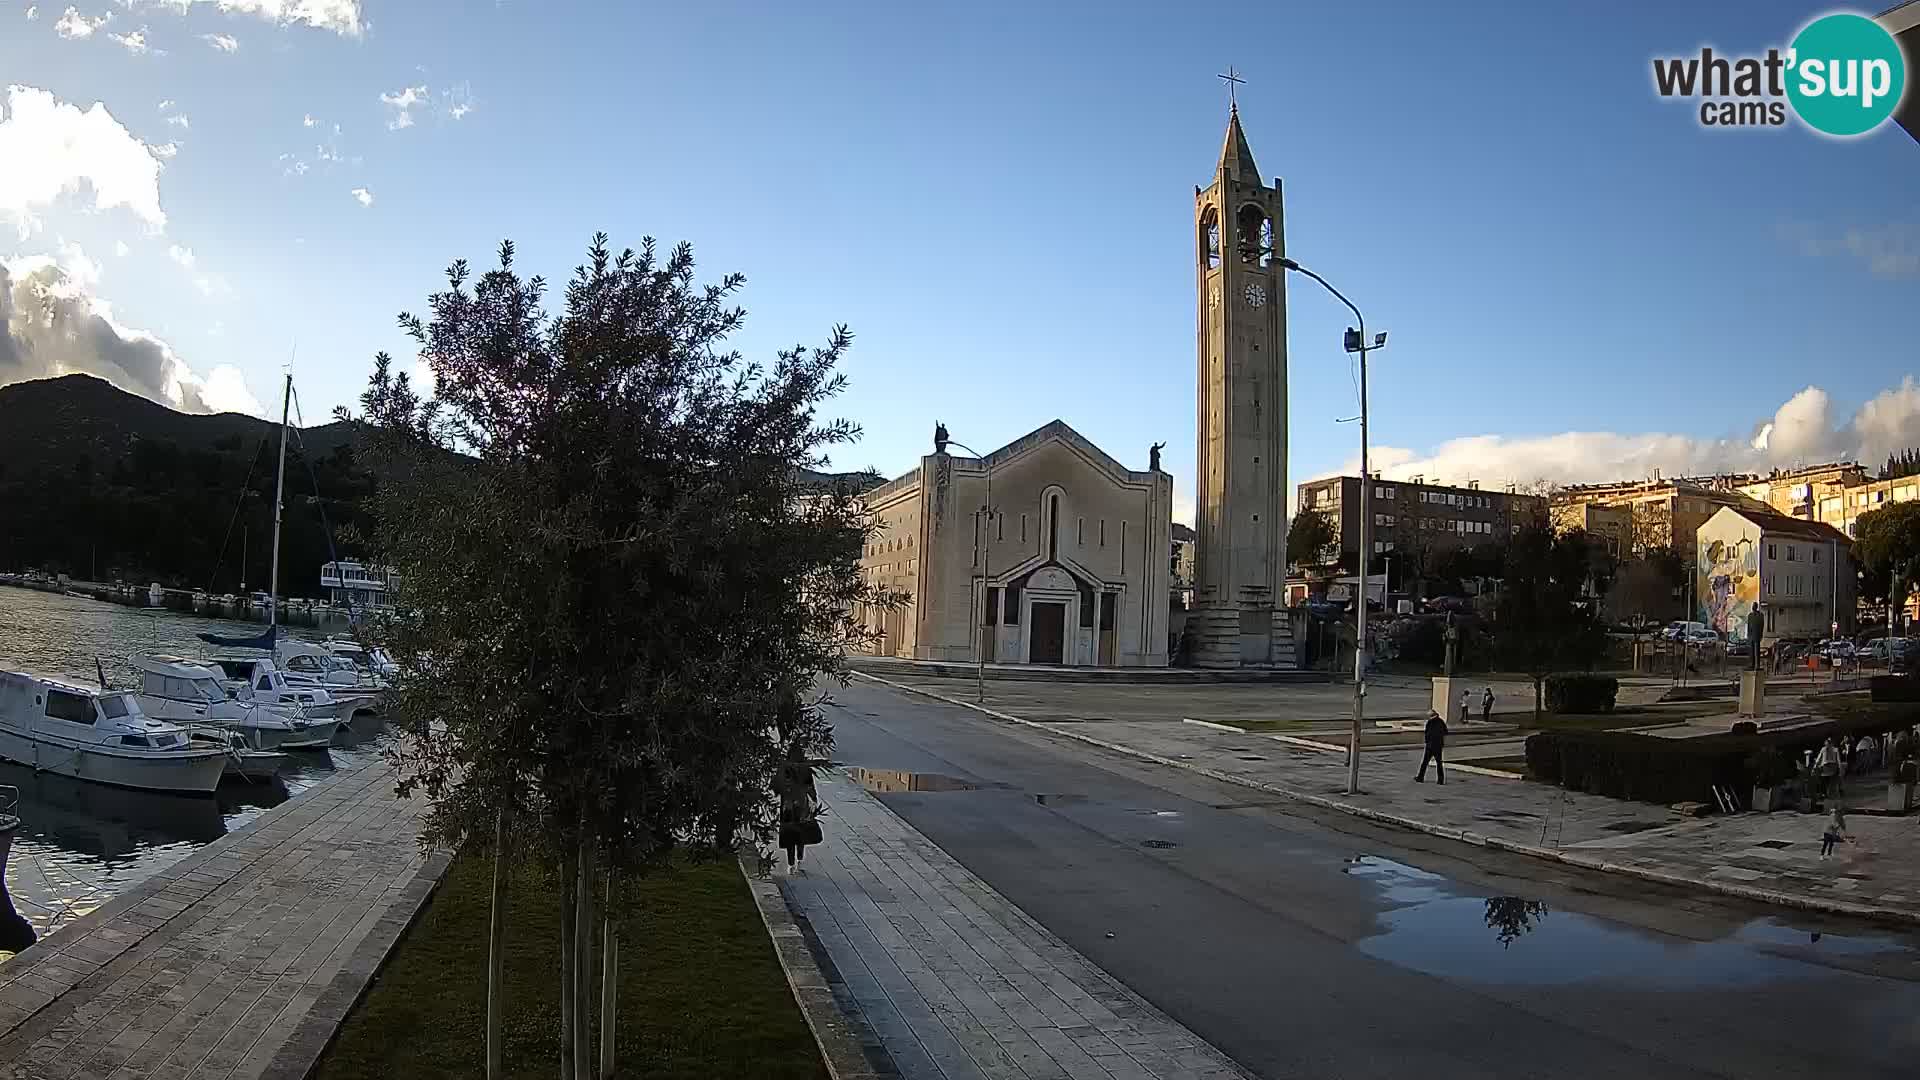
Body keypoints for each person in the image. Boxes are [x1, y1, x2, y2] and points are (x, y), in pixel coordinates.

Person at [776, 746, 823, 873]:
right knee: (800, 833)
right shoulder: (805, 768)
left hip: (788, 807)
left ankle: (791, 864)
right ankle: (799, 860)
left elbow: (779, 786)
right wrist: (813, 801)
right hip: (801, 805)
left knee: (790, 835)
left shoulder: (785, 768)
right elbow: (811, 787)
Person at [1416, 708, 1448, 784]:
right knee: (1439, 763)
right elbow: (1446, 731)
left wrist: (1427, 742)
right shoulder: (1441, 721)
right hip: (1438, 746)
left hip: (1430, 746)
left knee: (1425, 762)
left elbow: (1427, 734)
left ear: (1430, 716)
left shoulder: (1429, 723)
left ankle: (1420, 777)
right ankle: (1440, 780)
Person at [1815, 737, 1843, 804]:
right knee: (1829, 782)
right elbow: (1838, 760)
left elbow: (1818, 759)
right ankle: (1826, 794)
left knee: (1823, 781)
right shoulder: (1834, 749)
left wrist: (1815, 766)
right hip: (1831, 768)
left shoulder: (1825, 749)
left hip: (1827, 768)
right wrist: (1839, 768)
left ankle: (1824, 794)